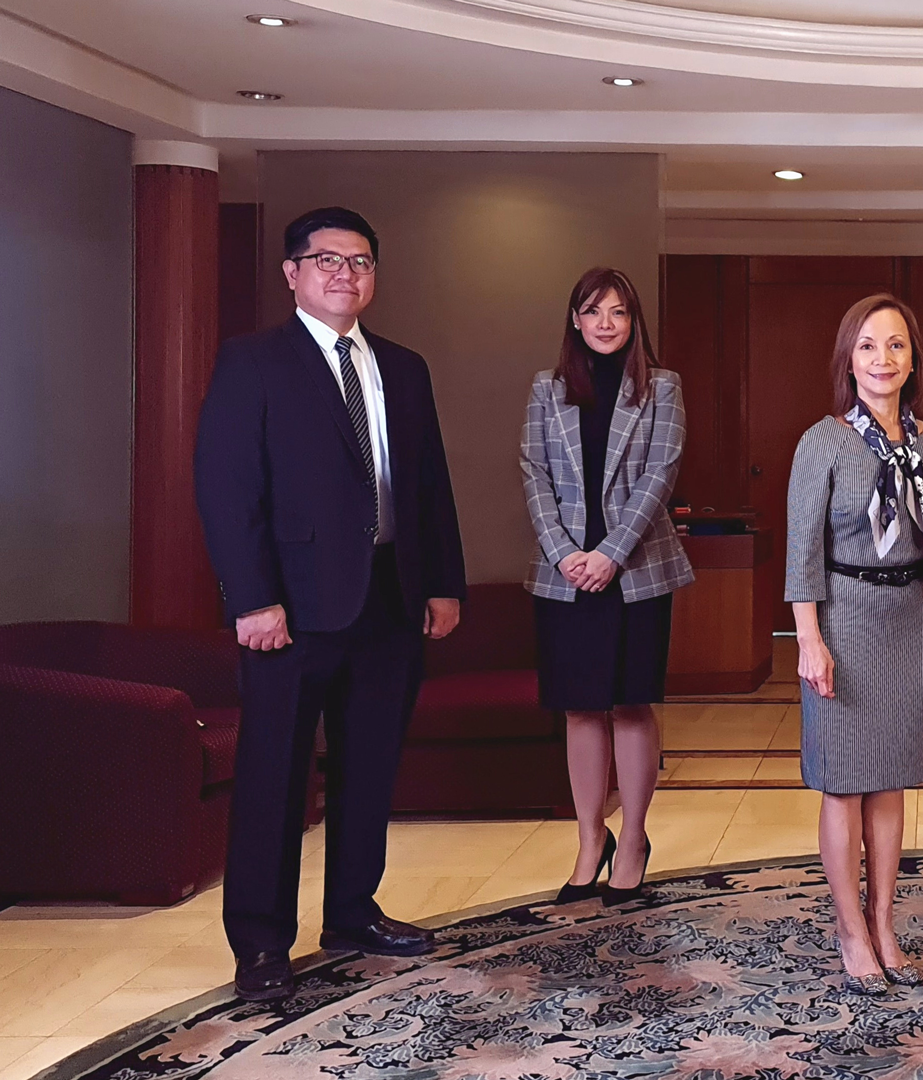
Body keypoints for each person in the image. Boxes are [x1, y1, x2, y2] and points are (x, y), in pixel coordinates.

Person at [195, 206, 467, 1002]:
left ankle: (352, 913)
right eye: (327, 260)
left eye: (360, 262)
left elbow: (428, 484)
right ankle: (260, 942)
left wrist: (442, 581)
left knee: (369, 768)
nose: (345, 274)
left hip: (389, 597)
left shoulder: (403, 368)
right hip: (289, 608)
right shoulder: (253, 362)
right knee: (274, 777)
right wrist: (253, 599)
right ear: (293, 273)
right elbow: (226, 487)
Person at [786, 294, 923, 995]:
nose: (882, 359)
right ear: (848, 359)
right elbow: (802, 552)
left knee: (891, 779)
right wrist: (809, 639)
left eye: (895, 345)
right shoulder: (823, 442)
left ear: (913, 358)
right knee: (844, 783)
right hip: (844, 619)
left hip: (914, 620)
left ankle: (884, 923)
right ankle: (849, 931)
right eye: (867, 346)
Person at [520, 267, 694, 906]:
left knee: (629, 704)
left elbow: (660, 474)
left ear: (633, 321)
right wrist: (567, 554)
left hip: (636, 572)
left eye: (618, 312)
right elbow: (533, 472)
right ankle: (590, 839)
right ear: (575, 319)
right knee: (580, 707)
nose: (605, 323)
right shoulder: (547, 388)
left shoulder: (662, 387)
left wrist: (610, 554)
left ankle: (634, 840)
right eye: (593, 311)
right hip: (564, 575)